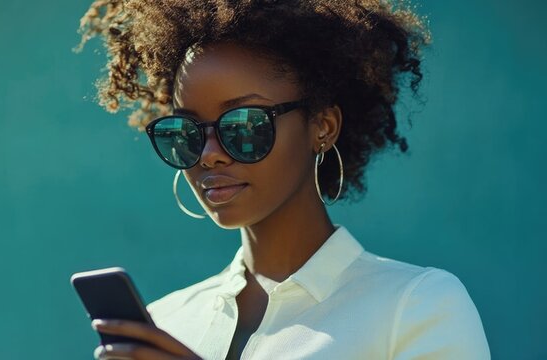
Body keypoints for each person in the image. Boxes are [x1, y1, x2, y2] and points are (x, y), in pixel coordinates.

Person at [73, 0, 491, 359]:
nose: (209, 153)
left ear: (322, 127)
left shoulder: (416, 305)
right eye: (187, 132)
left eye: (244, 125)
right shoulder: (165, 323)